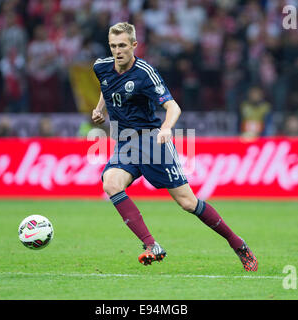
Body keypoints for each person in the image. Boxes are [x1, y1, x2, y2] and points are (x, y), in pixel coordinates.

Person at [92, 22, 258, 271]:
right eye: (114, 46)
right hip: (125, 140)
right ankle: (151, 245)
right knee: (111, 183)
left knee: (188, 203)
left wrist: (167, 128)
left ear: (134, 45)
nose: (118, 51)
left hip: (151, 140)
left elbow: (173, 106)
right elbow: (107, 88)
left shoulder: (145, 73)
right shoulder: (101, 67)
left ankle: (237, 243)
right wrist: (99, 109)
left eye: (123, 45)